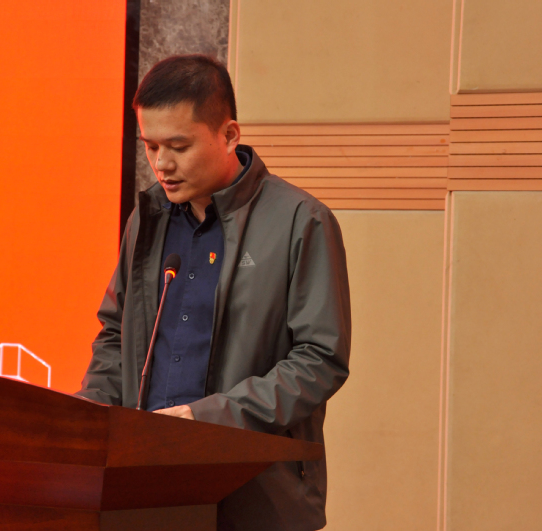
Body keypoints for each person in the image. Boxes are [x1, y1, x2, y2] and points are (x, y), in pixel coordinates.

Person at [76, 54, 351, 531]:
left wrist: (207, 420)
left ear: (229, 135)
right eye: (150, 146)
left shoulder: (300, 221)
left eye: (178, 146)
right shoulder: (148, 218)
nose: (161, 164)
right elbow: (117, 333)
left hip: (255, 494)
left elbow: (320, 359)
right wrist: (90, 417)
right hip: (144, 488)